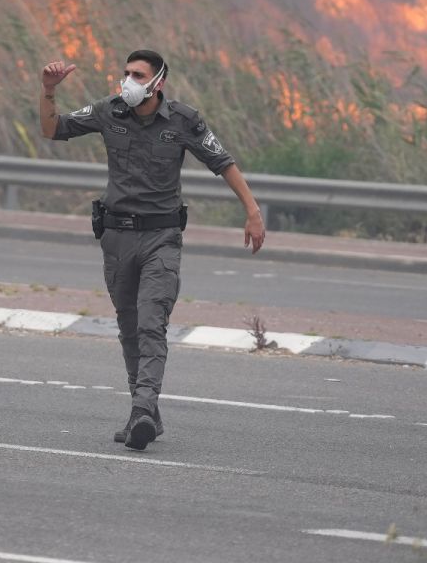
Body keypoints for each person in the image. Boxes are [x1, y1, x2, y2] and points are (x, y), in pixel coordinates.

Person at [40, 50, 266, 451]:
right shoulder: (108, 111)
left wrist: (252, 211)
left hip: (161, 239)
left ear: (157, 82)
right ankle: (143, 414)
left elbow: (223, 162)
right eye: (125, 73)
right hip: (116, 238)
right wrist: (48, 91)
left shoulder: (183, 120)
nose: (128, 80)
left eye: (137, 74)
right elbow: (53, 129)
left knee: (151, 323)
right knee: (129, 328)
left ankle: (143, 411)